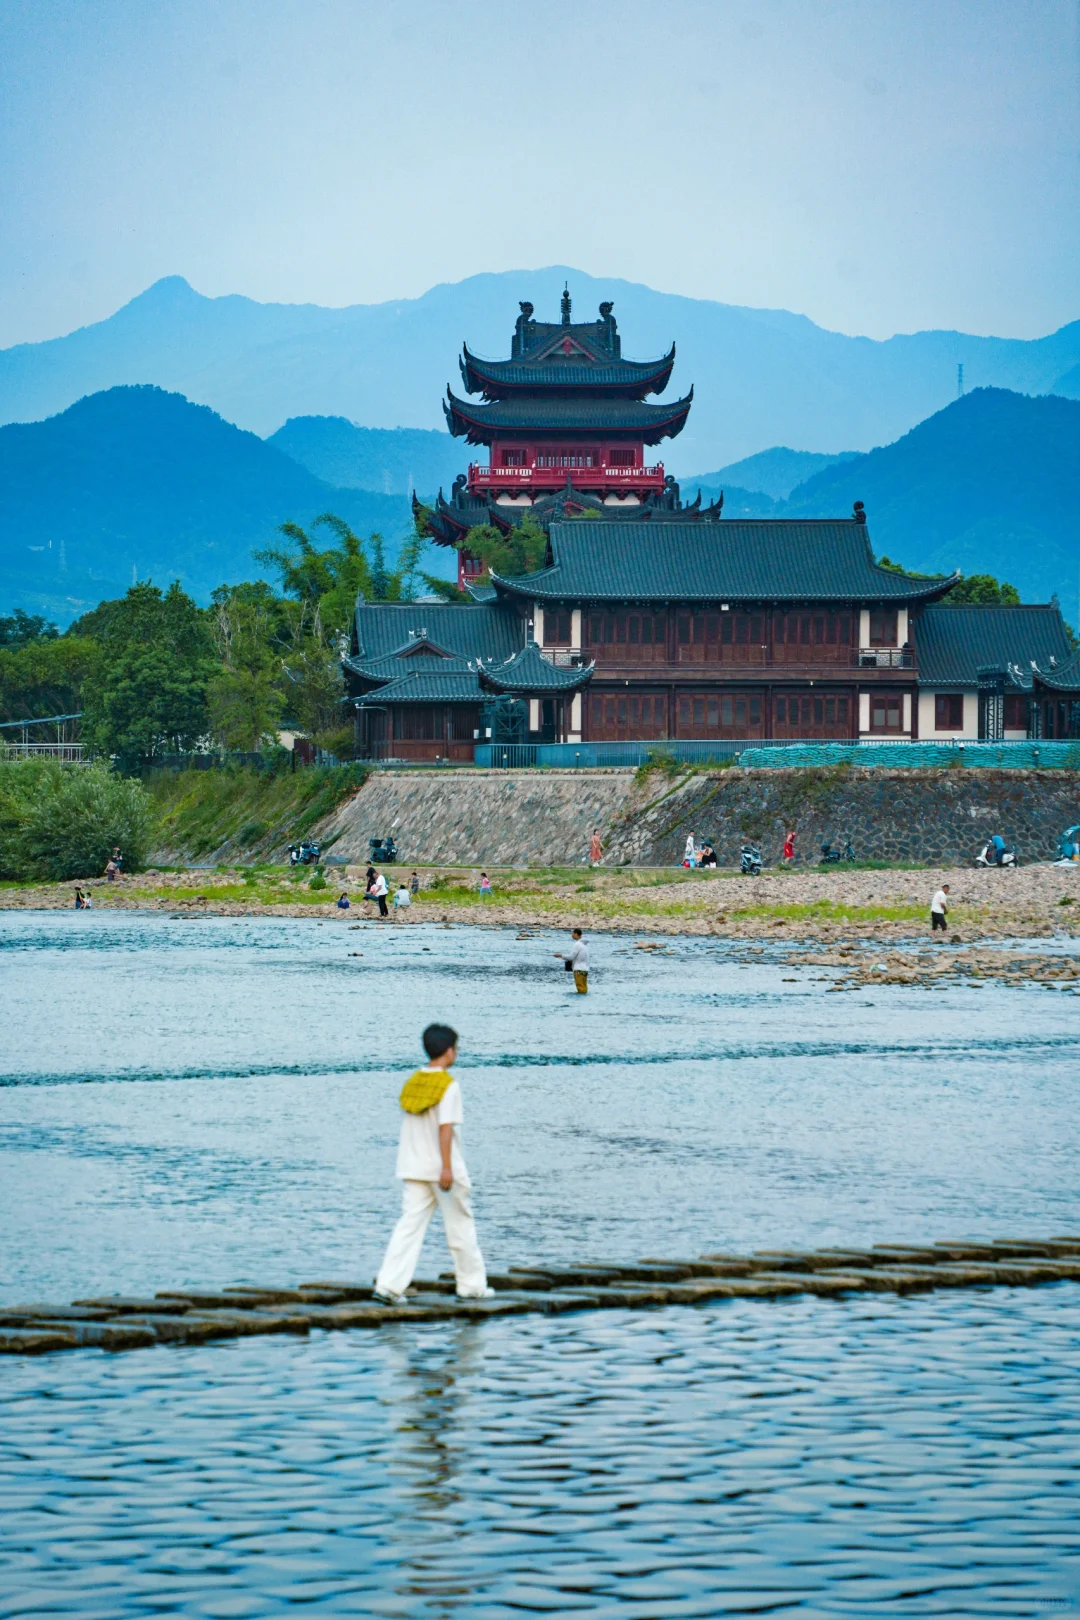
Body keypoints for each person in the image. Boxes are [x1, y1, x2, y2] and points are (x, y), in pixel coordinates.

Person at [373, 1022, 494, 1303]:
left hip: (412, 1167)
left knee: (408, 1228)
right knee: (460, 1227)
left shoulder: (414, 1081)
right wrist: (447, 1167)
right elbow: (445, 1129)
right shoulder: (448, 1086)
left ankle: (388, 1286)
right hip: (441, 1170)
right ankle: (472, 1286)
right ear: (449, 1051)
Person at [555, 927, 589, 994]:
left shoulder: (577, 944)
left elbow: (571, 957)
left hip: (578, 970)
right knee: (584, 989)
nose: (572, 935)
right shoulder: (585, 945)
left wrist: (561, 956)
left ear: (576, 934)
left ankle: (579, 1004)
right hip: (585, 969)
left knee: (580, 990)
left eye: (572, 933)